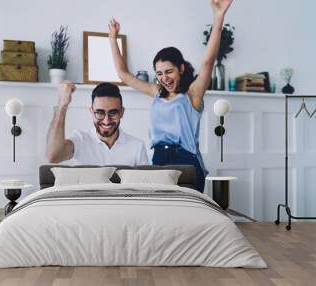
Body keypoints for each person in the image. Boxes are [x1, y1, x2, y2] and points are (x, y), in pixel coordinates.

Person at [108, 0, 233, 192]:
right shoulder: (156, 93)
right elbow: (123, 74)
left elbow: (208, 62)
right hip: (158, 161)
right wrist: (112, 39)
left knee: (186, 217)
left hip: (186, 162)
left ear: (181, 69)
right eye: (159, 73)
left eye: (169, 71)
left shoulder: (192, 95)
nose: (164, 78)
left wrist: (218, 17)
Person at [46, 81, 149, 166]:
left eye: (113, 113)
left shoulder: (137, 146)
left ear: (122, 112)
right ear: (91, 111)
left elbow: (144, 186)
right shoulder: (80, 139)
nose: (106, 121)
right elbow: (53, 156)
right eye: (100, 113)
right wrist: (62, 106)